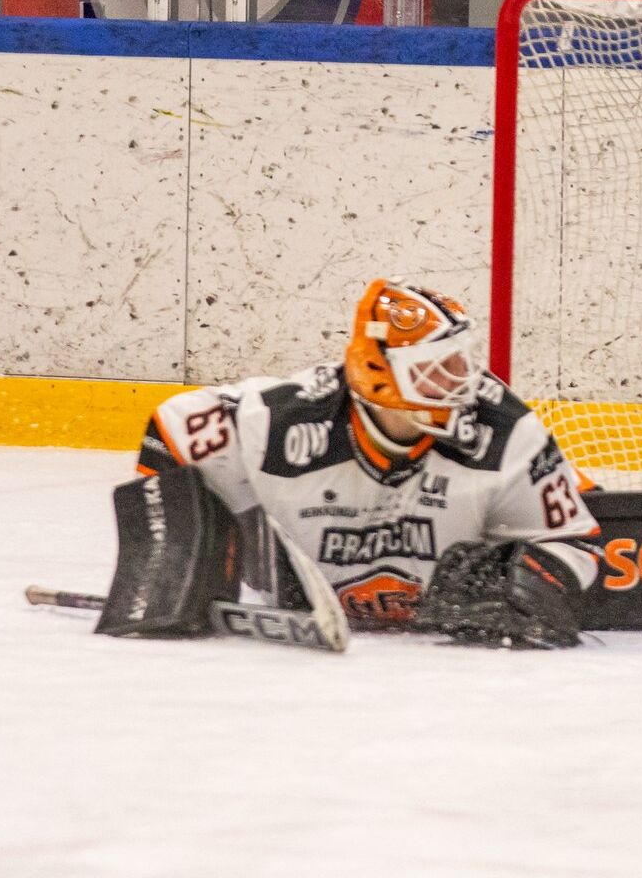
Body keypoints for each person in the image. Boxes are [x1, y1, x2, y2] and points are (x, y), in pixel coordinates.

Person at [99, 278, 601, 648]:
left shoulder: (505, 430)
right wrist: (176, 558)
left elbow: (575, 538)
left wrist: (530, 587)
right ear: (378, 374)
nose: (460, 382)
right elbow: (172, 428)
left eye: (460, 362)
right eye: (435, 368)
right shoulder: (282, 420)